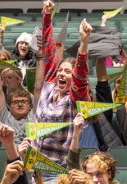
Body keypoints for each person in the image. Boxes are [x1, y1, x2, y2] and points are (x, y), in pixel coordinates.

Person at [33, 0, 93, 166]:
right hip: (35, 163)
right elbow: (50, 50)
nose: (61, 73)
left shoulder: (75, 101)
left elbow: (81, 76)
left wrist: (84, 42)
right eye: (60, 70)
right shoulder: (50, 85)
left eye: (68, 72)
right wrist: (46, 17)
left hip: (58, 167)